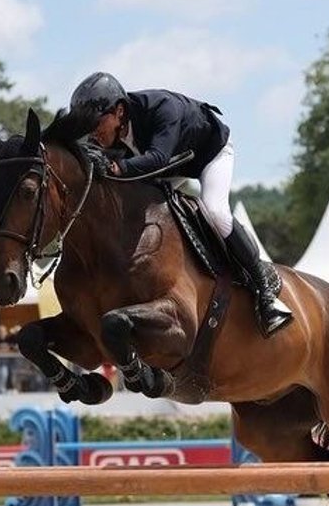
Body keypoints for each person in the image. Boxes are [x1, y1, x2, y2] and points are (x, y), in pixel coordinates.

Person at [68, 72, 292, 337]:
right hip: (170, 165)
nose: (93, 132)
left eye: (96, 123)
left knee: (215, 211)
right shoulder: (109, 135)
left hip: (209, 154)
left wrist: (117, 167)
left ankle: (263, 289)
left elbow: (159, 157)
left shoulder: (162, 108)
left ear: (119, 111)